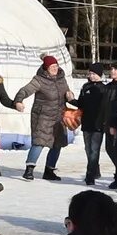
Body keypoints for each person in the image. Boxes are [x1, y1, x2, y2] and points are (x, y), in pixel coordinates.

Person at [21, 53, 70, 182]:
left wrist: (70, 95)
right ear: (46, 68)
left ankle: (49, 170)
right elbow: (26, 90)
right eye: (51, 67)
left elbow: (66, 92)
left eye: (56, 66)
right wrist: (18, 100)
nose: (54, 68)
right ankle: (29, 170)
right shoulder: (39, 80)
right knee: (39, 142)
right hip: (43, 117)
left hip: (59, 117)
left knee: (57, 144)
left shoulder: (61, 78)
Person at [74, 66, 114, 186]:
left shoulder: (104, 89)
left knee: (94, 150)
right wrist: (70, 100)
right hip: (87, 122)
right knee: (88, 149)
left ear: (100, 75)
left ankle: (90, 175)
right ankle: (95, 170)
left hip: (99, 123)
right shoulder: (85, 87)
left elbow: (107, 107)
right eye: (90, 73)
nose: (92, 76)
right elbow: (80, 103)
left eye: (94, 74)